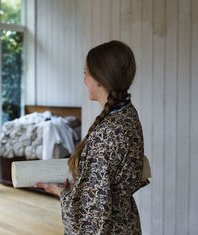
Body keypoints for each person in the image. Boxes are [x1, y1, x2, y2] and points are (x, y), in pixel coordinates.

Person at [35, 41, 149, 234]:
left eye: (85, 73)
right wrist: (82, 184)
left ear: (99, 79)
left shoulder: (106, 133)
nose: (84, 80)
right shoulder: (128, 114)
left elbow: (90, 218)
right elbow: (108, 185)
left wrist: (60, 192)